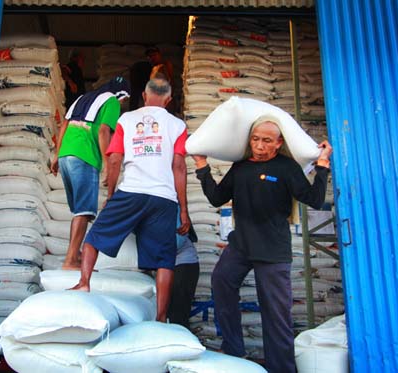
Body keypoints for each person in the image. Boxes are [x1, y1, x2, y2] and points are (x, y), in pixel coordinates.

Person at [191, 120, 333, 372]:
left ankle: (282, 368)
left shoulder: (286, 167)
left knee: (276, 315)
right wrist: (202, 166)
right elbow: (216, 197)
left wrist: (322, 166)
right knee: (221, 281)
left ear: (279, 143)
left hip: (273, 250)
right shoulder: (241, 167)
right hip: (241, 246)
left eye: (267, 140)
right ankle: (234, 350)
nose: (259, 145)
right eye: (255, 139)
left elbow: (313, 198)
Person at [70, 78, 191, 323]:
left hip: (131, 191)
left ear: (144, 97)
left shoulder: (126, 120)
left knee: (94, 237)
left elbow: (114, 159)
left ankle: (84, 283)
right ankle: (160, 316)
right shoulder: (178, 125)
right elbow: (179, 166)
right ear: (168, 100)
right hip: (164, 198)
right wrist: (184, 210)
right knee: (164, 259)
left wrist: (112, 194)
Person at [50, 76, 131, 270]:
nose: (123, 105)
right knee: (84, 212)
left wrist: (56, 155)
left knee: (79, 211)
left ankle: (74, 256)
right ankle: (70, 260)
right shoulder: (111, 101)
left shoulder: (82, 98)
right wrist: (106, 162)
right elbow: (104, 131)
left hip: (66, 154)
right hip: (84, 156)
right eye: (125, 100)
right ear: (121, 94)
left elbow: (64, 125)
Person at [167, 216, 199, 329]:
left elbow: (176, 242)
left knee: (177, 318)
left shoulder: (174, 209)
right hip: (168, 267)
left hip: (183, 265)